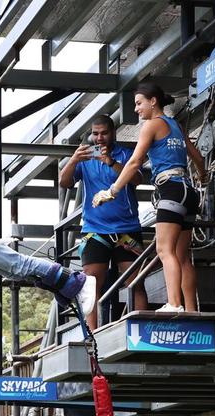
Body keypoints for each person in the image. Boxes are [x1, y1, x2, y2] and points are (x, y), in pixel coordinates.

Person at [92, 79, 206, 313]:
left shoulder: (151, 125)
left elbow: (134, 162)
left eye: (138, 103)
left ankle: (174, 304)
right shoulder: (175, 125)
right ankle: (192, 309)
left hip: (170, 190)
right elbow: (199, 159)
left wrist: (111, 191)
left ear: (153, 102)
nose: (136, 109)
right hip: (188, 191)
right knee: (182, 257)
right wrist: (203, 177)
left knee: (165, 250)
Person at [59, 114, 148, 329]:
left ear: (113, 132)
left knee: (135, 282)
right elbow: (64, 182)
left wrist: (111, 162)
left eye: (104, 133)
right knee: (91, 285)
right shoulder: (86, 157)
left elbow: (137, 180)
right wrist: (73, 160)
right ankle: (90, 335)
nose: (99, 138)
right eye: (95, 133)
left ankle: (144, 328)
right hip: (95, 231)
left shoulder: (126, 154)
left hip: (127, 230)